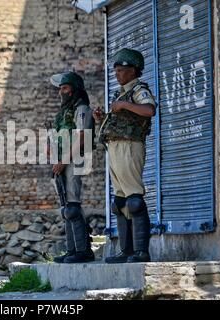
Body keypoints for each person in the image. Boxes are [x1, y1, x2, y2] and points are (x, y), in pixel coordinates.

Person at [93, 48, 156, 263]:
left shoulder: (139, 89)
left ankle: (141, 252)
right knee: (119, 202)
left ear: (133, 71)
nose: (117, 74)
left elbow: (149, 110)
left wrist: (124, 105)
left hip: (130, 147)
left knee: (134, 200)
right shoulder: (120, 93)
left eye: (121, 71)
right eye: (116, 71)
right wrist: (102, 118)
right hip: (115, 146)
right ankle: (126, 250)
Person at [49, 71, 95, 264]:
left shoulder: (82, 109)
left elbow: (82, 137)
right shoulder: (64, 112)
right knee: (66, 207)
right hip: (61, 161)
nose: (62, 92)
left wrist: (63, 161)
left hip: (74, 160)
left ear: (74, 90)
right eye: (60, 88)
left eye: (65, 88)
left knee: (72, 208)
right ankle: (72, 250)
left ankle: (83, 251)